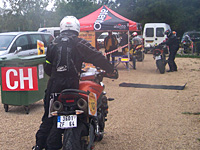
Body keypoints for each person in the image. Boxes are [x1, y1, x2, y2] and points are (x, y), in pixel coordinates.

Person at [32, 16, 114, 150]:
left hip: (54, 87)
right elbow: (97, 57)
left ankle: (39, 145)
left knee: (49, 117)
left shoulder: (52, 44)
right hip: (72, 86)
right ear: (77, 28)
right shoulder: (79, 43)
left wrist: (54, 75)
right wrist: (111, 69)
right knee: (82, 114)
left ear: (61, 27)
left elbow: (47, 66)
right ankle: (87, 134)